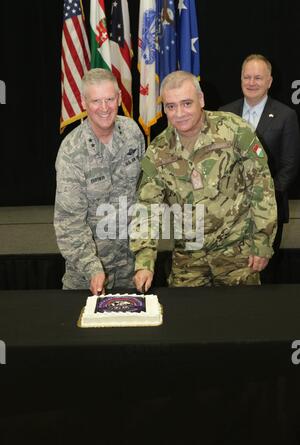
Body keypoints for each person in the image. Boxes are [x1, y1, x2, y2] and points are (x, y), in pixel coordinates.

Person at [130, 70, 277, 291]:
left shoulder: (234, 130)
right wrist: (144, 260)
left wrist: (262, 242)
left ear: (201, 100)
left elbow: (261, 185)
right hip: (188, 259)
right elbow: (147, 207)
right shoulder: (158, 151)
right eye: (171, 106)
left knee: (242, 319)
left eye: (187, 103)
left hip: (237, 254)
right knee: (187, 321)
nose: (179, 113)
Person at [54, 68, 145, 294]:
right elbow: (69, 223)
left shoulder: (133, 133)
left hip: (130, 268)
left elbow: (143, 196)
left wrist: (145, 257)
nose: (104, 108)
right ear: (85, 103)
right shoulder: (72, 150)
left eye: (109, 99)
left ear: (119, 99)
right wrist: (93, 268)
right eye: (96, 101)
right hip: (87, 275)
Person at [220, 54, 300, 251]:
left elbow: (290, 165)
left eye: (258, 78)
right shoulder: (224, 113)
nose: (251, 82)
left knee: (265, 270)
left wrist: (265, 195)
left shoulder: (285, 115)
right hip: (230, 210)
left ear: (269, 81)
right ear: (241, 79)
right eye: (247, 77)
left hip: (269, 209)